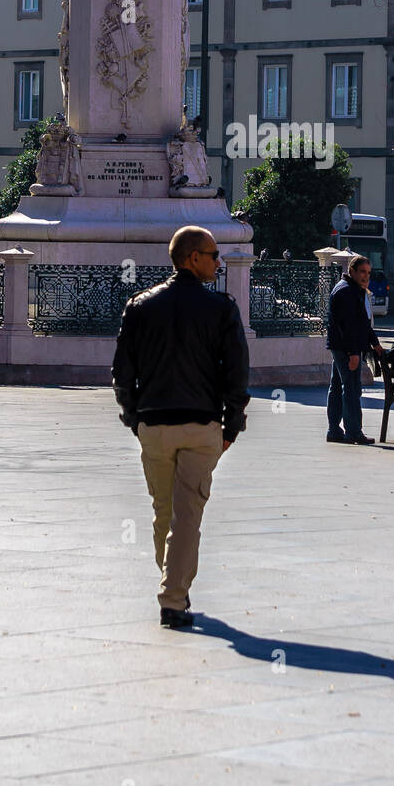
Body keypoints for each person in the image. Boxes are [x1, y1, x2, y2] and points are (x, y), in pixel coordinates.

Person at [112, 226, 250, 628]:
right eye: (213, 254)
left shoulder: (140, 306)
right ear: (193, 258)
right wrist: (232, 423)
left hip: (154, 424)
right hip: (200, 424)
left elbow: (123, 371)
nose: (218, 261)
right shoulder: (222, 310)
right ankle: (174, 597)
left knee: (165, 511)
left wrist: (133, 417)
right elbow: (237, 370)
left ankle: (175, 587)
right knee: (186, 514)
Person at [326, 255, 384, 445]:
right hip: (346, 348)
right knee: (351, 388)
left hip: (341, 347)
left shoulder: (353, 290)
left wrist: (374, 342)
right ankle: (353, 431)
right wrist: (353, 353)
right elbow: (347, 326)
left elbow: (362, 323)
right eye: (362, 272)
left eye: (368, 272)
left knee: (337, 387)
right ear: (352, 271)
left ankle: (334, 430)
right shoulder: (347, 292)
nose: (366, 276)